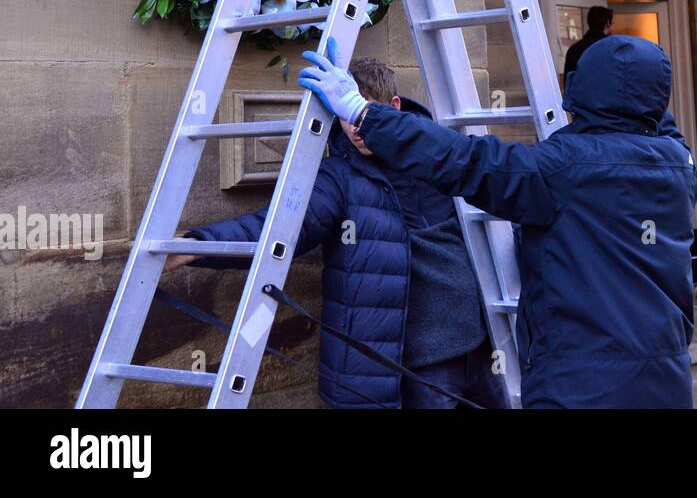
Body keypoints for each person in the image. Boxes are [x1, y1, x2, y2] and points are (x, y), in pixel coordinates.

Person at [300, 34, 697, 408]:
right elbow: (651, 122)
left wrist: (362, 112)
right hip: (667, 378)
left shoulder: (563, 170)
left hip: (581, 384)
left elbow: (463, 159)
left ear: (583, 91)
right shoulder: (681, 166)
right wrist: (643, 99)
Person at [167, 57, 506, 410]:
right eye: (344, 116)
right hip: (419, 364)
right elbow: (282, 228)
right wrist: (196, 246)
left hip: (485, 346)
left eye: (362, 112)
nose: (355, 128)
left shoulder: (436, 153)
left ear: (393, 107)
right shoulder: (340, 177)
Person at [562, 5, 613, 89]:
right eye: (612, 23)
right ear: (607, 23)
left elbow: (568, 83)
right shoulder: (611, 48)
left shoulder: (574, 49)